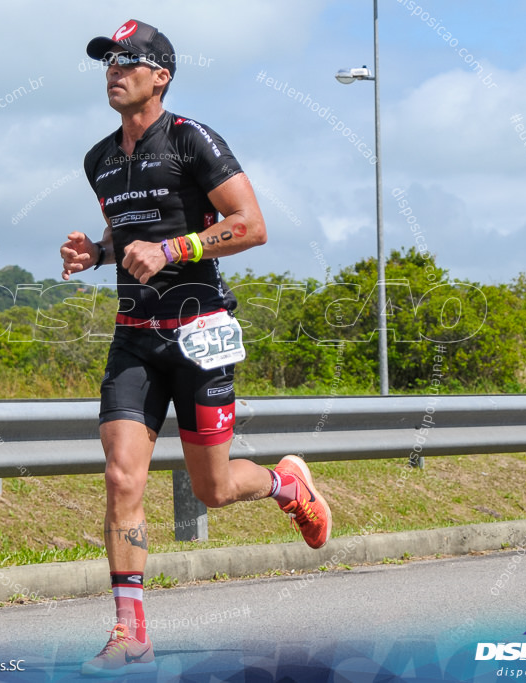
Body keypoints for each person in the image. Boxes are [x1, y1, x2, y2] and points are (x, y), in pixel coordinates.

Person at [59, 19, 332, 677]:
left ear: (161, 75)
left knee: (211, 489)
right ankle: (129, 630)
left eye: (127, 61)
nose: (112, 71)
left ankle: (284, 483)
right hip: (134, 339)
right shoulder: (98, 158)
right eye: (107, 62)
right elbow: (129, 228)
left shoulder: (192, 139)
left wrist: (174, 250)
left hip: (199, 334)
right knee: (122, 475)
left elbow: (251, 225)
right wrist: (96, 253)